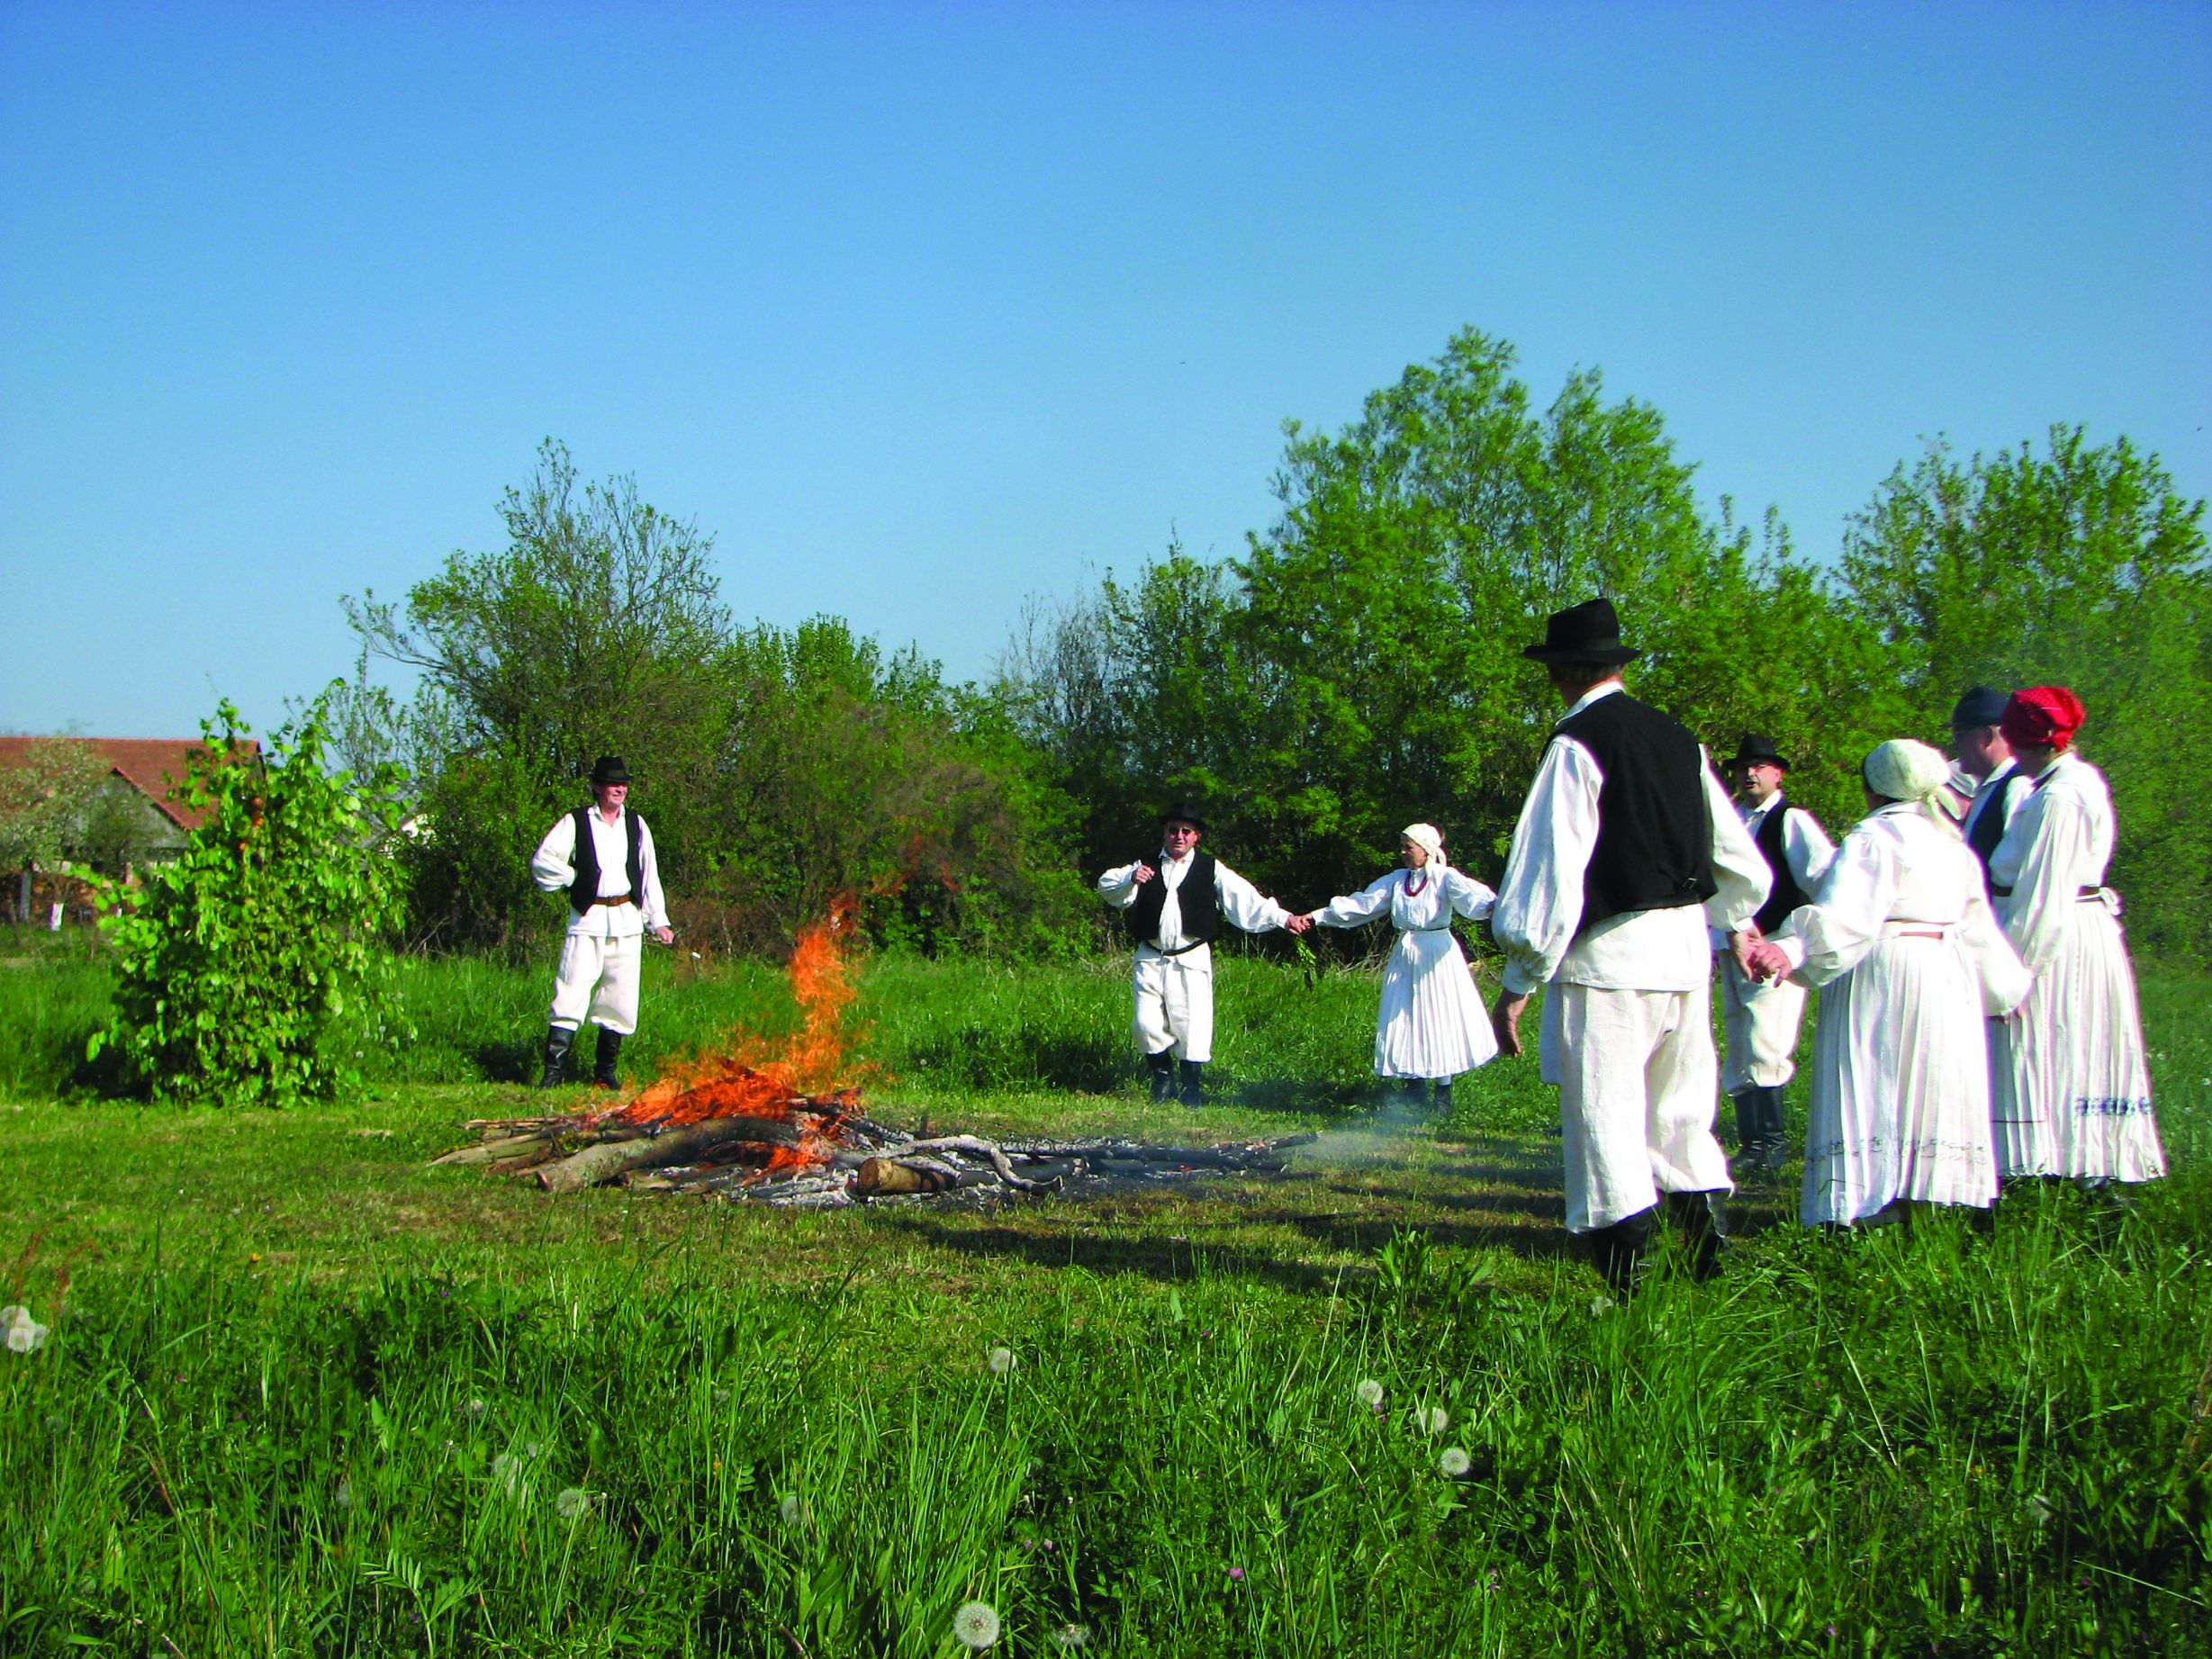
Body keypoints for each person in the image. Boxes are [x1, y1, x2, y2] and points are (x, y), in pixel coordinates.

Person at [1488, 600, 1771, 1293]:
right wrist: (1731, 919)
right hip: (1681, 953)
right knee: (1677, 1114)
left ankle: (1631, 1288)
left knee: (1606, 1117)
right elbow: (1739, 859)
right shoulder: (1679, 740)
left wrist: (1519, 978)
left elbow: (1550, 871)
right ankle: (1707, 1269)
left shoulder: (1576, 743)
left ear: (1565, 672)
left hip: (1609, 958)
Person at [1742, 741, 2030, 1228]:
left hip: (1885, 965)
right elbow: (1978, 927)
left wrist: (1789, 949)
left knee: (1878, 1073)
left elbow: (1848, 919)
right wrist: (2003, 990)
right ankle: (1924, 1200)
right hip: (1945, 970)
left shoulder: (1874, 837)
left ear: (1873, 788)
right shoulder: (1950, 844)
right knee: (1931, 1078)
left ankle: (1866, 1201)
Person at [1986, 688, 2166, 1186]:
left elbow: (2043, 894)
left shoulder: (2059, 799)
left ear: (2025, 739)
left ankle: (2059, 1171)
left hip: (2061, 938)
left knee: (2052, 1045)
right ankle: (2077, 1170)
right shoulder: (2072, 781)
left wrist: (2013, 974)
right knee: (2073, 1048)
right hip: (2078, 927)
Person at [1097, 802, 1299, 1105]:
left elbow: (1246, 899)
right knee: (1144, 1023)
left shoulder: (1210, 868)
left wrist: (1284, 919)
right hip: (1150, 956)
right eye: (1173, 830)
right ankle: (1163, 1080)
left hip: (1191, 957)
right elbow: (1108, 886)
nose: (1179, 836)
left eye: (1185, 831)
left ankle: (1191, 1088)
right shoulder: (1146, 865)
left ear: (1196, 837)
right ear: (1165, 833)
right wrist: (1131, 878)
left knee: (1190, 1024)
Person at [1301, 822, 1498, 1114]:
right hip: (1406, 954)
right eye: (1403, 846)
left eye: (1409, 847)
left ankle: (1442, 1090)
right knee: (1403, 1016)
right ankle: (1413, 1086)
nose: (1403, 852)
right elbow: (1363, 904)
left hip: (1437, 956)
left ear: (1426, 849)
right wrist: (1317, 916)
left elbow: (1475, 899)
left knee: (1438, 1018)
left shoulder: (1445, 878)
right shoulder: (1397, 880)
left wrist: (1496, 906)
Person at [1716, 734, 1835, 1172]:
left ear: (1777, 772)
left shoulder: (1791, 821)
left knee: (1766, 1038)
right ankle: (1751, 1142)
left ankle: (1771, 1143)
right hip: (1732, 947)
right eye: (1744, 766)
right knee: (1740, 1040)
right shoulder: (1734, 821)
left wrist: (1795, 938)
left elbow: (1823, 879)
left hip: (1772, 950)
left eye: (1760, 766)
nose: (1750, 773)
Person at [528, 755, 675, 1089]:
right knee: (571, 990)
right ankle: (553, 1075)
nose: (619, 789)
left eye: (622, 784)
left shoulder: (637, 824)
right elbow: (543, 862)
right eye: (612, 783)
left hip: (626, 920)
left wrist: (659, 921)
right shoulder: (576, 822)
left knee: (620, 999)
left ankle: (604, 1074)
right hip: (588, 919)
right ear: (597, 787)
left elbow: (649, 875)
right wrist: (574, 878)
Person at [1949, 684, 2029, 893]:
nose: (1955, 745)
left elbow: (2021, 868)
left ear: (1986, 737)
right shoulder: (1988, 788)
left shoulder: (2017, 786)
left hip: (2005, 916)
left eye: (1959, 736)